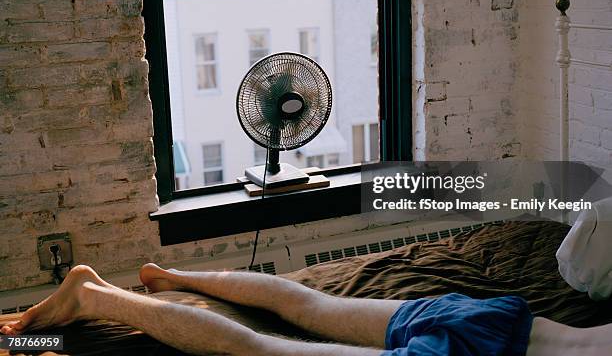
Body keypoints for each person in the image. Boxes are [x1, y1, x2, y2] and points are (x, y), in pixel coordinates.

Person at [1, 264, 611, 355]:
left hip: (499, 318)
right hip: (480, 346)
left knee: (306, 302)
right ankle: (95, 297)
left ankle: (169, 277)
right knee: (259, 349)